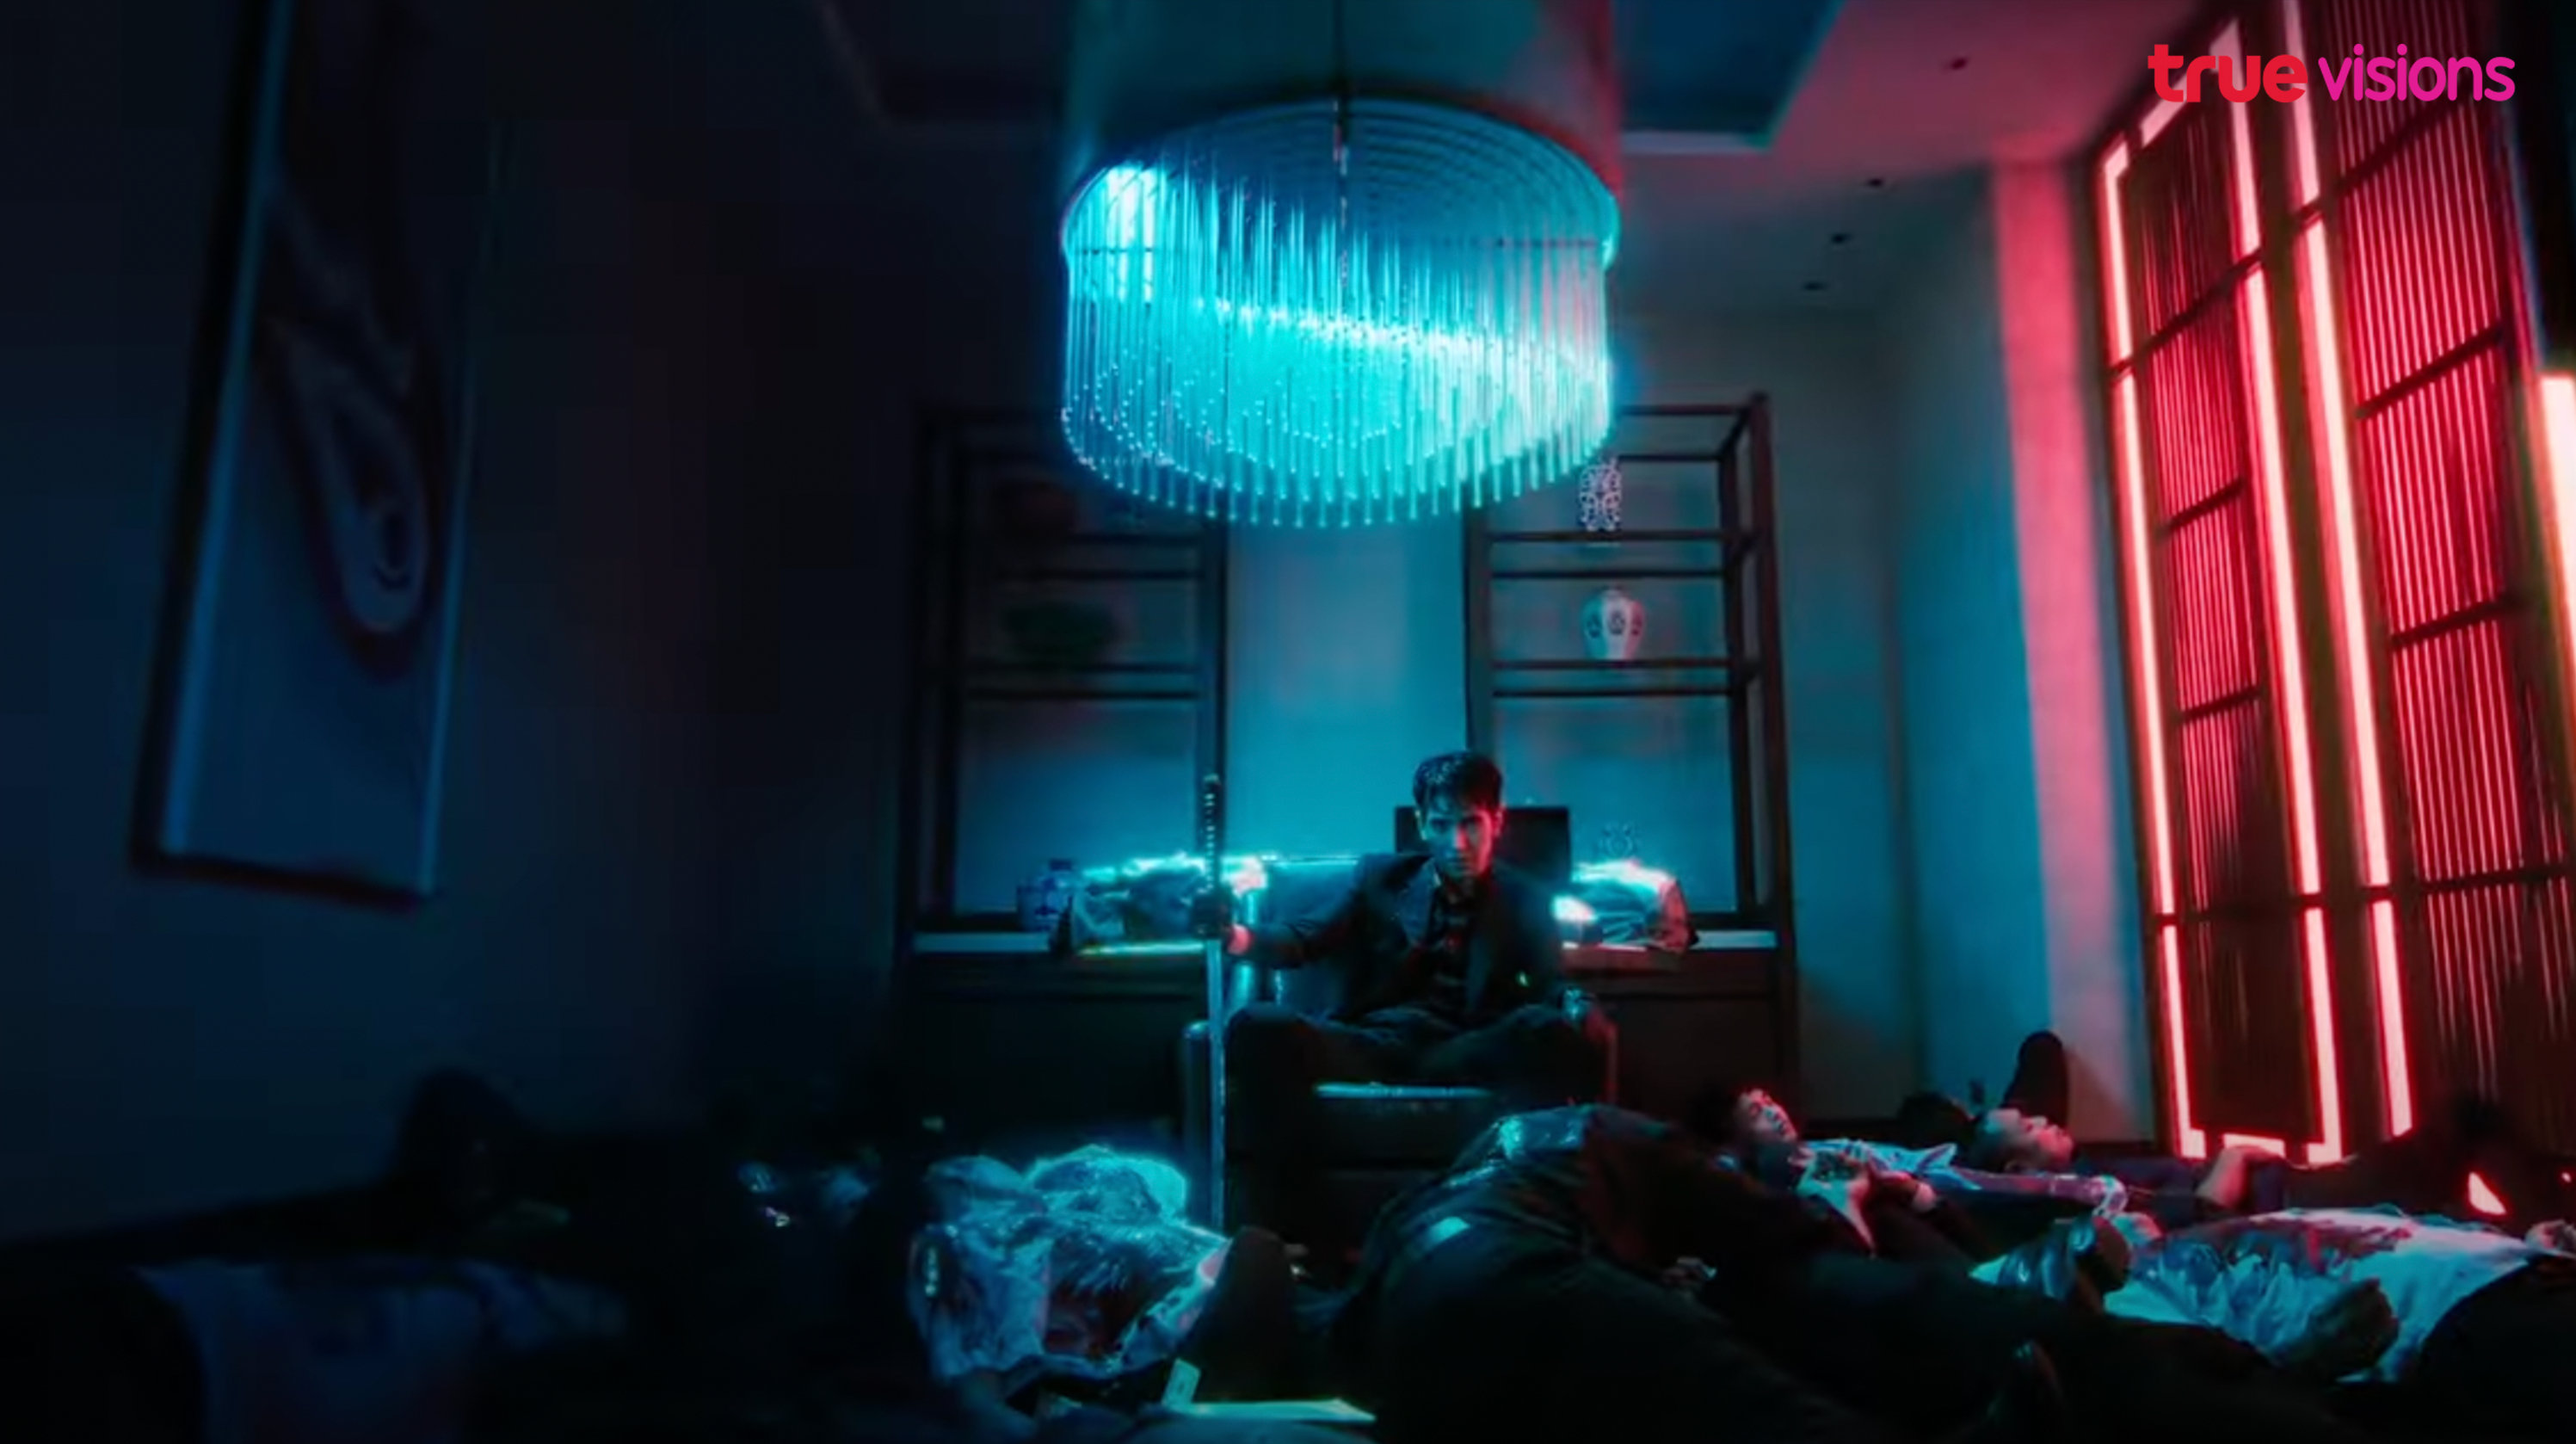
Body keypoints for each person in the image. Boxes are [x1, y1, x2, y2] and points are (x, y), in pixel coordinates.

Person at [1331, 1105, 2379, 1444]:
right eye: (1753, 1109)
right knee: (1780, 1367)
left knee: (1919, 1319)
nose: (1771, 1112)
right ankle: (2263, 1375)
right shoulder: (1596, 1146)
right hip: (1899, 1261)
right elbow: (1761, 1232)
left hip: (1442, 1349)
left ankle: (2260, 1369)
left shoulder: (1440, 1207)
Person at [1191, 751, 1611, 1240]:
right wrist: (1234, 936)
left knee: (1548, 1030)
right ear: (1422, 823)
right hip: (1374, 1044)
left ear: (1497, 821)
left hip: (1464, 1048)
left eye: (1471, 824)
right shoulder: (1381, 880)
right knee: (1259, 1026)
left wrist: (1578, 1011)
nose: (1457, 843)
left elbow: (1546, 987)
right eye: (1441, 825)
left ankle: (1545, 1231)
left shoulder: (1526, 899)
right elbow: (1305, 937)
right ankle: (1294, 1232)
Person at [2110, 1206, 2576, 1440]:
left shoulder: (2204, 1234)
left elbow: (2395, 1228)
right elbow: (2210, 1403)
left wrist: (2516, 1241)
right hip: (2455, 1320)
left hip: (2530, 1268)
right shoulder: (2134, 1299)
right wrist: (2308, 1358)